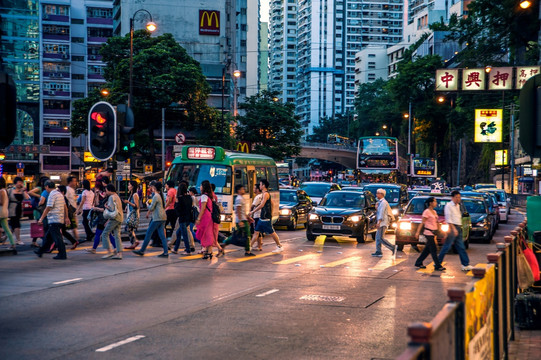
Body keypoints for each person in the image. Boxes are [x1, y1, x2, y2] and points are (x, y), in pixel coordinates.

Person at [439, 191, 473, 271]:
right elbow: (448, 219)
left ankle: (465, 264)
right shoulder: (449, 206)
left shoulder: (458, 206)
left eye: (459, 197)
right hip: (452, 228)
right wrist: (453, 229)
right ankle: (438, 262)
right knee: (447, 246)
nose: (458, 199)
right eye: (457, 197)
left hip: (458, 227)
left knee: (461, 247)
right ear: (452, 197)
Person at [35, 181, 70, 260]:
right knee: (48, 238)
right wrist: (66, 217)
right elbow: (65, 207)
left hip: (54, 219)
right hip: (59, 218)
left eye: (45, 187)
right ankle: (41, 251)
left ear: (47, 186)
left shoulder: (52, 194)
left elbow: (48, 207)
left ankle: (62, 254)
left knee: (57, 238)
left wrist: (41, 218)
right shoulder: (60, 194)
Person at [133, 181, 168, 257]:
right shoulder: (160, 195)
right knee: (162, 235)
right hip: (162, 217)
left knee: (148, 233)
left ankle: (142, 250)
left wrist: (147, 204)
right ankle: (166, 252)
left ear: (154, 188)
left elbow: (151, 208)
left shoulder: (156, 196)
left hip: (157, 218)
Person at [219, 184, 255, 257]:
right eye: (242, 189)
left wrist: (248, 217)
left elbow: (242, 211)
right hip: (241, 220)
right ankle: (247, 251)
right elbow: (238, 211)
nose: (244, 190)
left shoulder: (241, 198)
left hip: (243, 219)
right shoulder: (239, 199)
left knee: (236, 235)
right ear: (239, 191)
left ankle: (224, 243)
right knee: (247, 235)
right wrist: (241, 221)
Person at [249, 179, 283, 253]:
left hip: (265, 218)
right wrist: (271, 212)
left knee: (272, 232)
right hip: (262, 217)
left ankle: (279, 246)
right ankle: (249, 247)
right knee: (256, 232)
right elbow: (272, 203)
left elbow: (262, 205)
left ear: (263, 186)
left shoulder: (266, 194)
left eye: (260, 184)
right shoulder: (265, 194)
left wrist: (253, 211)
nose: (259, 186)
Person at [414, 197, 446, 271]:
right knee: (433, 249)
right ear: (431, 203)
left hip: (433, 232)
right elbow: (422, 223)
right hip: (428, 232)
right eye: (435, 201)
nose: (436, 203)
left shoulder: (434, 211)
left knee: (427, 250)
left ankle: (418, 262)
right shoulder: (426, 212)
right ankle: (438, 265)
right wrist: (417, 232)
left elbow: (436, 222)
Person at [86, 180, 116, 254]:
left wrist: (96, 209)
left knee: (99, 233)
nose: (103, 193)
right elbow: (97, 203)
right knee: (107, 234)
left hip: (104, 219)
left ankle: (95, 249)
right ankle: (115, 248)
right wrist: (96, 195)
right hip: (102, 218)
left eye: (104, 191)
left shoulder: (110, 199)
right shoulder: (105, 199)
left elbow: (105, 209)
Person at [98, 184, 124, 259]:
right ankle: (119, 253)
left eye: (106, 190)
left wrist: (106, 207)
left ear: (109, 190)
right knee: (117, 235)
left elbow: (111, 209)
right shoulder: (117, 196)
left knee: (105, 233)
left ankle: (109, 251)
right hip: (119, 217)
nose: (105, 192)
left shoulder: (111, 197)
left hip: (115, 218)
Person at [195, 180, 218, 259]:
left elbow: (203, 208)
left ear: (203, 187)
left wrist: (198, 218)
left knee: (206, 233)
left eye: (201, 185)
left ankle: (209, 251)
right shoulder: (210, 196)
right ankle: (209, 251)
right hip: (209, 216)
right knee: (208, 233)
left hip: (205, 217)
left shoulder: (204, 196)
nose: (200, 187)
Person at [371, 188, 397, 258]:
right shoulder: (380, 202)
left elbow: (381, 213)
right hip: (381, 222)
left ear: (381, 194)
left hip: (382, 222)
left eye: (377, 193)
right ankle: (378, 251)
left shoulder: (383, 203)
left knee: (380, 238)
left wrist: (379, 222)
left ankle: (392, 247)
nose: (376, 194)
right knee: (377, 238)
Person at [173, 182, 194, 255]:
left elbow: (177, 209)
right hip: (188, 218)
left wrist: (176, 203)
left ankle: (188, 250)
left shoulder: (179, 198)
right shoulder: (189, 197)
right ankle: (175, 249)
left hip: (182, 218)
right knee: (178, 232)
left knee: (184, 234)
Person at [8, 177, 29, 245]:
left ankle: (5, 237)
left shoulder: (21, 191)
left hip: (19, 208)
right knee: (16, 224)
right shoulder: (10, 190)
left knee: (13, 225)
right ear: (15, 183)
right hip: (12, 208)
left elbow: (27, 197)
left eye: (21, 182)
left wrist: (23, 190)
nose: (20, 184)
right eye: (19, 182)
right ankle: (18, 239)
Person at [28, 176, 49, 247]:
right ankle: (44, 241)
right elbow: (30, 192)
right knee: (41, 225)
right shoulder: (39, 188)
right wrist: (39, 196)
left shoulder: (46, 190)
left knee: (40, 225)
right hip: (38, 209)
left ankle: (34, 241)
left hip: (42, 209)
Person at [57, 185, 79, 250]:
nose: (57, 192)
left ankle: (58, 245)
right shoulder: (64, 198)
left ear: (62, 192)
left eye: (58, 191)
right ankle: (73, 241)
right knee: (62, 231)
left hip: (63, 217)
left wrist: (66, 217)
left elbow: (65, 209)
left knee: (60, 231)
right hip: (63, 217)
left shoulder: (63, 198)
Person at [0, 177, 16, 253]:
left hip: (1, 212)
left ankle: (2, 237)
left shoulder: (1, 191)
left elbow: (1, 202)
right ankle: (12, 244)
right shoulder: (5, 190)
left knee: (6, 229)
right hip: (4, 211)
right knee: (7, 229)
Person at [124, 181, 140, 250]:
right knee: (129, 229)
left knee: (128, 228)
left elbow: (136, 206)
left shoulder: (135, 195)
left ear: (132, 186)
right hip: (130, 214)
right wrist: (127, 206)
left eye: (129, 185)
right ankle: (134, 242)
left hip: (133, 215)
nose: (128, 186)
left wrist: (128, 202)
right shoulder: (131, 194)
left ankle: (135, 242)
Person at [250, 184, 264, 251]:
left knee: (256, 232)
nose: (253, 189)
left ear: (258, 189)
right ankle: (259, 245)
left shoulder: (258, 197)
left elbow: (252, 206)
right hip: (261, 215)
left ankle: (251, 246)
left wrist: (250, 213)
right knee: (258, 232)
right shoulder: (262, 196)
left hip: (257, 216)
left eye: (254, 188)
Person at [65, 176, 79, 244]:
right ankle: (76, 240)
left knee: (74, 226)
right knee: (73, 226)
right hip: (70, 211)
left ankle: (76, 239)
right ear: (70, 182)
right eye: (74, 181)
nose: (75, 183)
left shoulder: (72, 190)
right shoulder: (67, 189)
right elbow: (65, 200)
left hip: (73, 211)